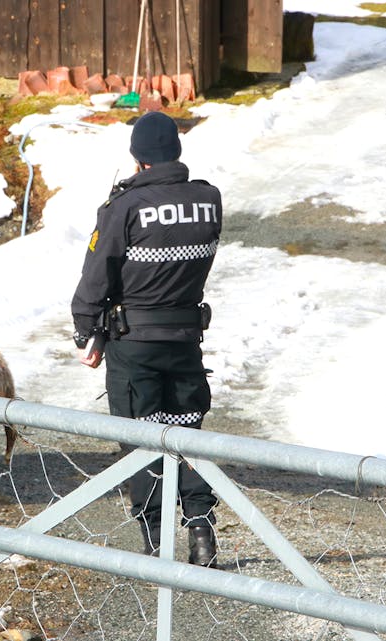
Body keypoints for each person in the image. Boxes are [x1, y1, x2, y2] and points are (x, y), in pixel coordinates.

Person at [71, 111, 223, 566]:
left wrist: (85, 329)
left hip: (133, 342)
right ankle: (201, 534)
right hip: (185, 338)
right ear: (175, 152)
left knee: (142, 443)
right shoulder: (208, 199)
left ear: (137, 158)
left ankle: (157, 546)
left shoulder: (124, 207)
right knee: (188, 435)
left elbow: (97, 275)